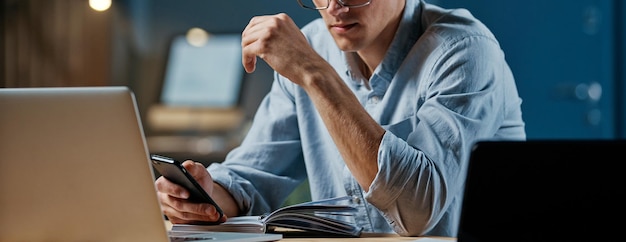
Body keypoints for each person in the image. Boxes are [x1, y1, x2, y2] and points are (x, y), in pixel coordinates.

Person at [155, 0, 526, 237]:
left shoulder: (464, 51)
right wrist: (202, 196)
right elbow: (251, 177)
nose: (334, 6)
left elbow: (417, 212)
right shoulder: (313, 45)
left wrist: (316, 76)